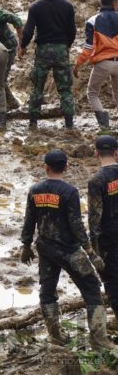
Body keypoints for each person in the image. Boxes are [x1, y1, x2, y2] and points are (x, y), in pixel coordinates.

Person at [20, 150, 115, 351]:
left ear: (45, 167)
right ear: (66, 167)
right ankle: (99, 340)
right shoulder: (70, 192)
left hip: (45, 248)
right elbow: (76, 224)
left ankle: (55, 335)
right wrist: (91, 252)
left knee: (47, 291)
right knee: (92, 289)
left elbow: (29, 220)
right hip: (69, 250)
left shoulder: (35, 190)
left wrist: (25, 245)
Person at [19, 0, 76, 130]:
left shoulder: (35, 7)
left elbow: (29, 31)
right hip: (61, 49)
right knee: (65, 89)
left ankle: (33, 122)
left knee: (37, 87)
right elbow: (72, 31)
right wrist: (66, 46)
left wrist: (22, 46)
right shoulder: (67, 6)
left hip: (43, 50)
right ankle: (69, 124)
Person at [74, 0, 118, 130]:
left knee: (92, 93)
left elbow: (88, 47)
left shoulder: (92, 21)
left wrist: (78, 64)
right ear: (114, 3)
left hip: (102, 63)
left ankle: (104, 124)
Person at [88, 136, 118, 321]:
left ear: (96, 152)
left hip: (109, 235)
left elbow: (94, 216)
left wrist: (94, 248)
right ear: (116, 152)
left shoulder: (97, 181)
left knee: (112, 278)